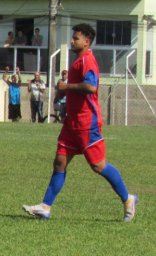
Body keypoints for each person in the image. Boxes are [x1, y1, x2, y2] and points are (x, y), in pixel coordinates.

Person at [22, 23, 137, 222]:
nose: (72, 41)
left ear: (86, 42)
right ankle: (45, 207)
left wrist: (67, 86)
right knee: (59, 161)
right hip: (72, 123)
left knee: (98, 166)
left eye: (76, 38)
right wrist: (64, 90)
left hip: (87, 122)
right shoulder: (77, 62)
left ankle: (128, 199)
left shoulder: (88, 61)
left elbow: (91, 87)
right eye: (73, 38)